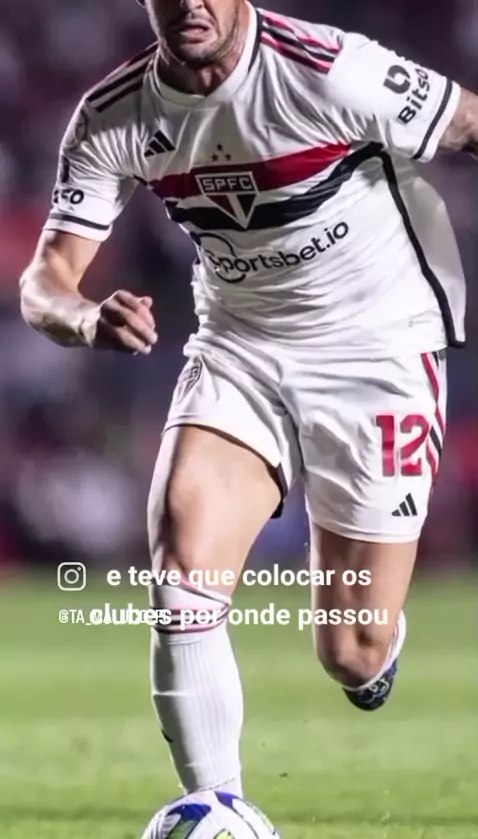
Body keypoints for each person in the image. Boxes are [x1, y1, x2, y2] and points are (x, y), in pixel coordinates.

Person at [19, 0, 477, 798]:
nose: (191, 5)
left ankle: (372, 643)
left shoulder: (329, 70)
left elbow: (467, 121)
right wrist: (85, 317)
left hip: (378, 349)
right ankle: (215, 815)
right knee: (181, 569)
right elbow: (45, 281)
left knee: (353, 650)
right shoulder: (113, 116)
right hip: (240, 347)